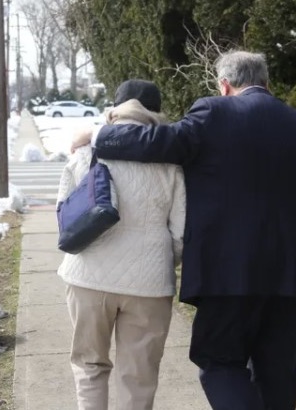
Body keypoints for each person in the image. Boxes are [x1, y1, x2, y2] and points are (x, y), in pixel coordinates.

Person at [72, 51, 296, 409]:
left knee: (219, 362)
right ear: (267, 83)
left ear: (225, 85)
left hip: (228, 276)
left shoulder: (213, 113)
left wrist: (98, 136)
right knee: (278, 378)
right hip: (295, 278)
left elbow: (160, 143)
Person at [56, 79, 186, 410]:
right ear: (156, 112)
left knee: (89, 366)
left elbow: (65, 211)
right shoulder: (172, 161)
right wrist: (160, 261)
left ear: (115, 108)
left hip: (88, 276)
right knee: (139, 377)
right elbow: (182, 231)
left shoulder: (87, 150)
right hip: (149, 285)